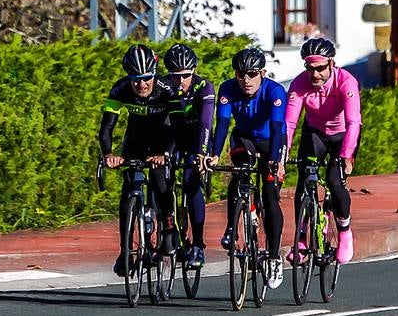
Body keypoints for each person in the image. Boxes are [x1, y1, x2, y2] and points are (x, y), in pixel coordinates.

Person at [204, 46, 288, 288]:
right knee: (238, 175)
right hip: (244, 138)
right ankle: (232, 228)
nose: (246, 80)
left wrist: (274, 160)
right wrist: (214, 155)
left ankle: (273, 256)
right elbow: (222, 124)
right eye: (241, 74)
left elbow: (276, 128)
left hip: (271, 140)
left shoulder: (275, 91)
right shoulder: (228, 89)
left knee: (271, 197)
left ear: (262, 73)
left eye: (251, 74)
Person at [98, 44, 177, 278]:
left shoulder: (166, 89)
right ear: (128, 77)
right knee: (128, 190)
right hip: (136, 140)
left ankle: (168, 227)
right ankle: (125, 251)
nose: (141, 85)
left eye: (146, 79)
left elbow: (178, 127)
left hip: (163, 137)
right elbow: (106, 129)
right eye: (135, 80)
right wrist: (109, 154)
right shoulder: (120, 89)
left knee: (161, 181)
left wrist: (166, 154)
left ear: (154, 74)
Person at [283, 37, 362, 265]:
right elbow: (289, 123)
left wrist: (347, 155)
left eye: (320, 68)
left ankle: (345, 231)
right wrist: (283, 151)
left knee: (334, 181)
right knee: (304, 179)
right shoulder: (299, 84)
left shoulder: (346, 81)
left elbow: (354, 121)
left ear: (331, 64)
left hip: (342, 134)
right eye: (310, 69)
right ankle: (300, 240)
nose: (315, 75)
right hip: (315, 132)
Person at [158, 42, 215, 270]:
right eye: (175, 76)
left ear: (194, 70)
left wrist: (201, 153)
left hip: (196, 138)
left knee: (191, 183)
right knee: (161, 178)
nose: (180, 81)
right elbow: (159, 123)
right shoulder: (163, 87)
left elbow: (205, 123)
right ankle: (167, 228)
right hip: (173, 136)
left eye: (185, 75)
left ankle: (198, 244)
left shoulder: (204, 87)